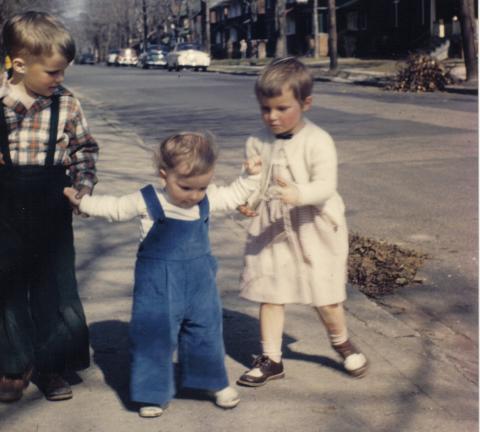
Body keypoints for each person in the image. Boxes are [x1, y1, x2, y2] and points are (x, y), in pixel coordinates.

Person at [63, 132, 261, 418]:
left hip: (199, 286)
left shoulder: (206, 201)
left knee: (206, 332)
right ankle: (152, 392)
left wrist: (250, 177)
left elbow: (233, 195)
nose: (194, 196)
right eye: (185, 187)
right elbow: (114, 209)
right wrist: (81, 202)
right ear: (164, 175)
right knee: (153, 336)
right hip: (157, 288)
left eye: (201, 188)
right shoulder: (147, 200)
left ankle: (213, 381)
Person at [236, 57, 368, 387]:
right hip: (274, 226)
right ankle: (272, 359)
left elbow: (326, 186)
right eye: (265, 109)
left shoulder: (318, 140)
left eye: (282, 108)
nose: (272, 117)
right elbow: (256, 184)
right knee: (271, 289)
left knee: (324, 293)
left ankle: (341, 342)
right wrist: (248, 199)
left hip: (315, 224)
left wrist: (298, 194)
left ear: (305, 103)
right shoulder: (257, 140)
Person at [0, 11, 98, 403]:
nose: (60, 80)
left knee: (53, 286)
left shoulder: (67, 104)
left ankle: (51, 364)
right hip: (4, 207)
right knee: (8, 287)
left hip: (50, 206)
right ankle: (12, 364)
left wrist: (82, 187)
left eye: (63, 72)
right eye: (53, 72)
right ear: (19, 64)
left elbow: (84, 151)